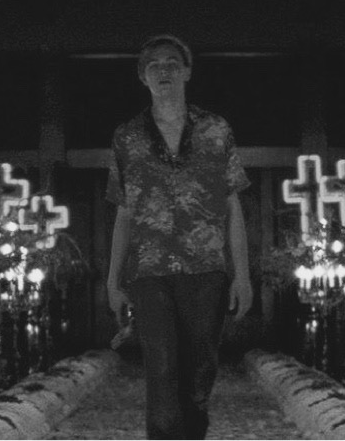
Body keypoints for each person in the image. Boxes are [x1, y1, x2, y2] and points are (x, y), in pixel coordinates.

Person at [105, 34, 253, 439]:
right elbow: (123, 212)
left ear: (187, 71)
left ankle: (194, 429)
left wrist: (242, 276)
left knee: (199, 374)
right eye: (154, 65)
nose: (164, 70)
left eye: (172, 62)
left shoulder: (216, 130)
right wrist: (113, 281)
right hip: (148, 272)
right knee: (162, 370)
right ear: (143, 77)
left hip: (206, 271)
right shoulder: (127, 137)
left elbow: (233, 206)